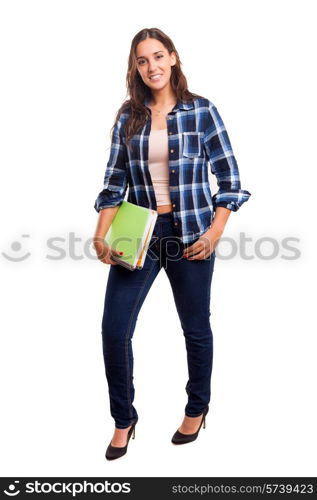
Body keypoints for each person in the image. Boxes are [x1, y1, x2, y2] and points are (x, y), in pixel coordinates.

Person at [93, 27, 251, 461]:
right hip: (138, 234)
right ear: (135, 68)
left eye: (158, 56)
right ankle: (124, 419)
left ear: (174, 58)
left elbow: (230, 179)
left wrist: (214, 232)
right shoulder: (129, 117)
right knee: (114, 329)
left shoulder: (201, 112)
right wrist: (100, 234)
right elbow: (113, 183)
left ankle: (197, 409)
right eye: (142, 61)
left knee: (196, 329)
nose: (152, 67)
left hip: (192, 234)